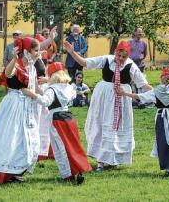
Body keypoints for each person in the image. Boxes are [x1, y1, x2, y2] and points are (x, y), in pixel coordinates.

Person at [63, 40, 152, 171]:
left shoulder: (131, 66)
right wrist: (72, 52)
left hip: (121, 98)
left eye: (124, 57)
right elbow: (85, 62)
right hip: (104, 97)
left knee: (116, 126)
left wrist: (161, 93)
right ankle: (101, 160)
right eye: (119, 55)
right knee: (102, 124)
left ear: (128, 56)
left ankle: (113, 159)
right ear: (115, 53)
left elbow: (143, 84)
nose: (120, 59)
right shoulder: (106, 60)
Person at [0, 37, 41, 185]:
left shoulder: (32, 67)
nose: (38, 53)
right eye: (36, 50)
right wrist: (13, 58)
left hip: (27, 107)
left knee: (24, 139)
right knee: (8, 138)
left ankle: (16, 171)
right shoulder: (16, 65)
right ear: (26, 51)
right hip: (13, 105)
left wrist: (50, 95)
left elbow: (35, 87)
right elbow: (8, 73)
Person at [118, 53, 169, 177]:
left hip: (162, 118)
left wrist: (125, 94)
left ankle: (168, 169)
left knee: (164, 141)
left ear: (161, 78)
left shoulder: (155, 92)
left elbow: (140, 97)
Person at [22, 62, 92, 184]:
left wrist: (32, 94)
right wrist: (38, 89)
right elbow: (58, 97)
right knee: (71, 146)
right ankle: (72, 171)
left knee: (60, 147)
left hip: (56, 118)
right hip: (68, 117)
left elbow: (46, 101)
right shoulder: (69, 87)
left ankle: (70, 173)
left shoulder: (52, 89)